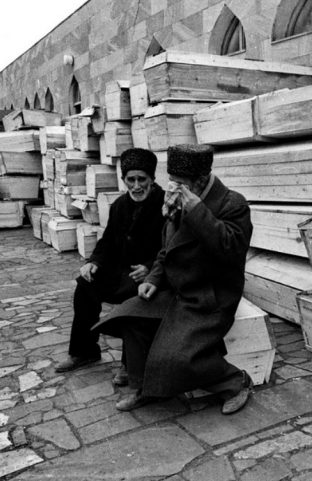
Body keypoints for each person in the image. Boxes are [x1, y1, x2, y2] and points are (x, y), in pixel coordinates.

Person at [97, 143, 253, 414]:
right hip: (178, 291)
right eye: (172, 181)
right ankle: (143, 387)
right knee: (130, 316)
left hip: (210, 297)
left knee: (176, 358)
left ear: (200, 180)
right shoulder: (181, 198)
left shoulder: (232, 203)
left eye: (179, 183)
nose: (172, 188)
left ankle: (235, 382)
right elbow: (166, 249)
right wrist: (154, 279)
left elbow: (231, 249)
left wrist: (197, 212)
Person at [55, 148, 166, 384]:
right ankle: (84, 351)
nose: (136, 186)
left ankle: (131, 364)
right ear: (124, 180)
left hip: (152, 275)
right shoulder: (119, 206)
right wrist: (94, 262)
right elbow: (107, 242)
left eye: (142, 179)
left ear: (152, 179)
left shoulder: (166, 206)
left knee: (133, 299)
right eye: (131, 180)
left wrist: (150, 268)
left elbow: (172, 247)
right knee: (84, 286)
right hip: (120, 271)